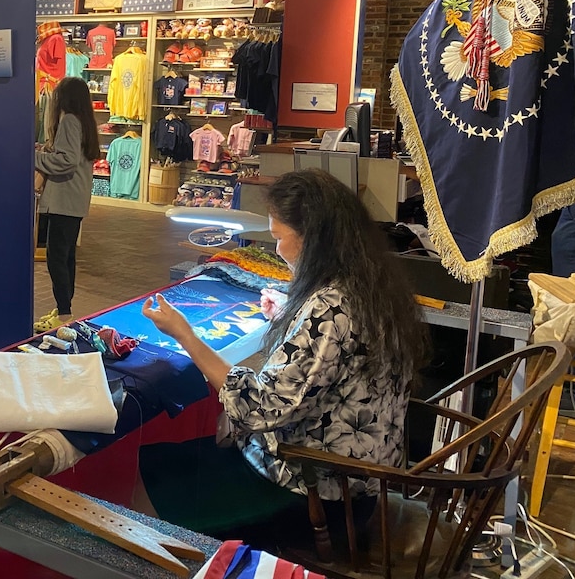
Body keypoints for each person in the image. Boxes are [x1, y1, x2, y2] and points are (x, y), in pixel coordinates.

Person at [136, 168, 429, 543]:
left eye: (279, 238)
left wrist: (184, 334)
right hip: (357, 480)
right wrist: (291, 315)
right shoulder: (373, 287)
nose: (276, 250)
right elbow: (334, 357)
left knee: (154, 472)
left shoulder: (329, 308)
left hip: (317, 494)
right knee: (177, 460)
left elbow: (260, 407)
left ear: (313, 240)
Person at [34, 76, 99, 318]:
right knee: (66, 256)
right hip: (75, 199)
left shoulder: (70, 121)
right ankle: (64, 309)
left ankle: (63, 311)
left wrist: (35, 157)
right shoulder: (84, 121)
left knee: (57, 258)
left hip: (64, 200)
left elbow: (66, 161)